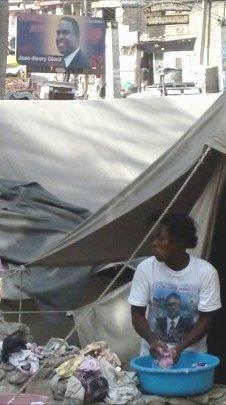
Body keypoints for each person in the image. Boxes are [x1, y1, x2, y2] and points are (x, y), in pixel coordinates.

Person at [128, 213, 221, 363]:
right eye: (153, 238)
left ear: (179, 241)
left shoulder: (206, 273)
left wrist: (179, 348)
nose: (154, 243)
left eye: (160, 238)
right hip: (152, 358)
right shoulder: (145, 269)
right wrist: (153, 341)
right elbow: (137, 314)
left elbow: (206, 319)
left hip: (192, 359)